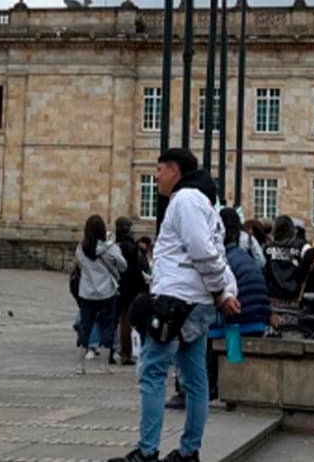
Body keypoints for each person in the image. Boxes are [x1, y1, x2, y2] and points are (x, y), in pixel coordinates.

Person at [112, 149, 239, 462]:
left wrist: (222, 290)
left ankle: (147, 451)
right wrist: (223, 291)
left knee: (153, 373)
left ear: (174, 170)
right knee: (195, 379)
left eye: (158, 169)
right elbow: (215, 254)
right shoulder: (206, 203)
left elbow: (202, 251)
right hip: (195, 303)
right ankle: (188, 450)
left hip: (176, 302)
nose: (156, 177)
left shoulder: (185, 200)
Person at [206, 207, 270, 401]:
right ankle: (230, 384)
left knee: (206, 333)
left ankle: (211, 385)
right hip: (259, 318)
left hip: (243, 320)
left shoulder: (225, 260)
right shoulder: (244, 256)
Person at [73, 215, 127, 375]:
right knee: (107, 327)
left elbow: (80, 265)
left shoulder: (81, 248)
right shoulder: (111, 248)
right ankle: (104, 365)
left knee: (85, 327)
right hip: (107, 292)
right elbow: (123, 266)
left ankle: (80, 366)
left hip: (87, 292)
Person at [115, 217, 149, 366]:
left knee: (119, 320)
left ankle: (116, 351)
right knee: (127, 321)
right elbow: (136, 269)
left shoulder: (116, 246)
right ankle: (126, 353)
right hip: (130, 287)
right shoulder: (130, 247)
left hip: (118, 286)